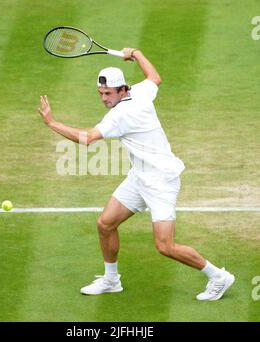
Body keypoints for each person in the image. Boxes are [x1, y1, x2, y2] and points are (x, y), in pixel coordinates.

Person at [38, 48, 235, 301]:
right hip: (139, 176)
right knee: (105, 224)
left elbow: (86, 138)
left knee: (165, 246)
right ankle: (111, 280)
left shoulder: (121, 114)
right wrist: (137, 54)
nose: (104, 98)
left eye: (108, 93)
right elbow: (154, 77)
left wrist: (52, 123)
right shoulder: (140, 92)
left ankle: (218, 276)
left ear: (122, 90)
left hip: (160, 181)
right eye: (100, 93)